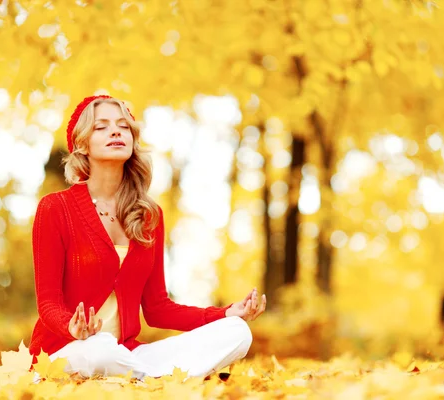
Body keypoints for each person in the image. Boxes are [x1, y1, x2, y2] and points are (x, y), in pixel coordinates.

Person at [28, 95, 266, 381]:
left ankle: (138, 379)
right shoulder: (56, 208)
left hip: (126, 354)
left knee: (237, 332)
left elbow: (157, 309)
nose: (116, 131)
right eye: (101, 127)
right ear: (82, 144)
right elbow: (48, 303)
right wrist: (72, 328)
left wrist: (227, 313)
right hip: (69, 351)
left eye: (123, 126)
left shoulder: (148, 216)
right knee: (99, 348)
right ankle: (152, 380)